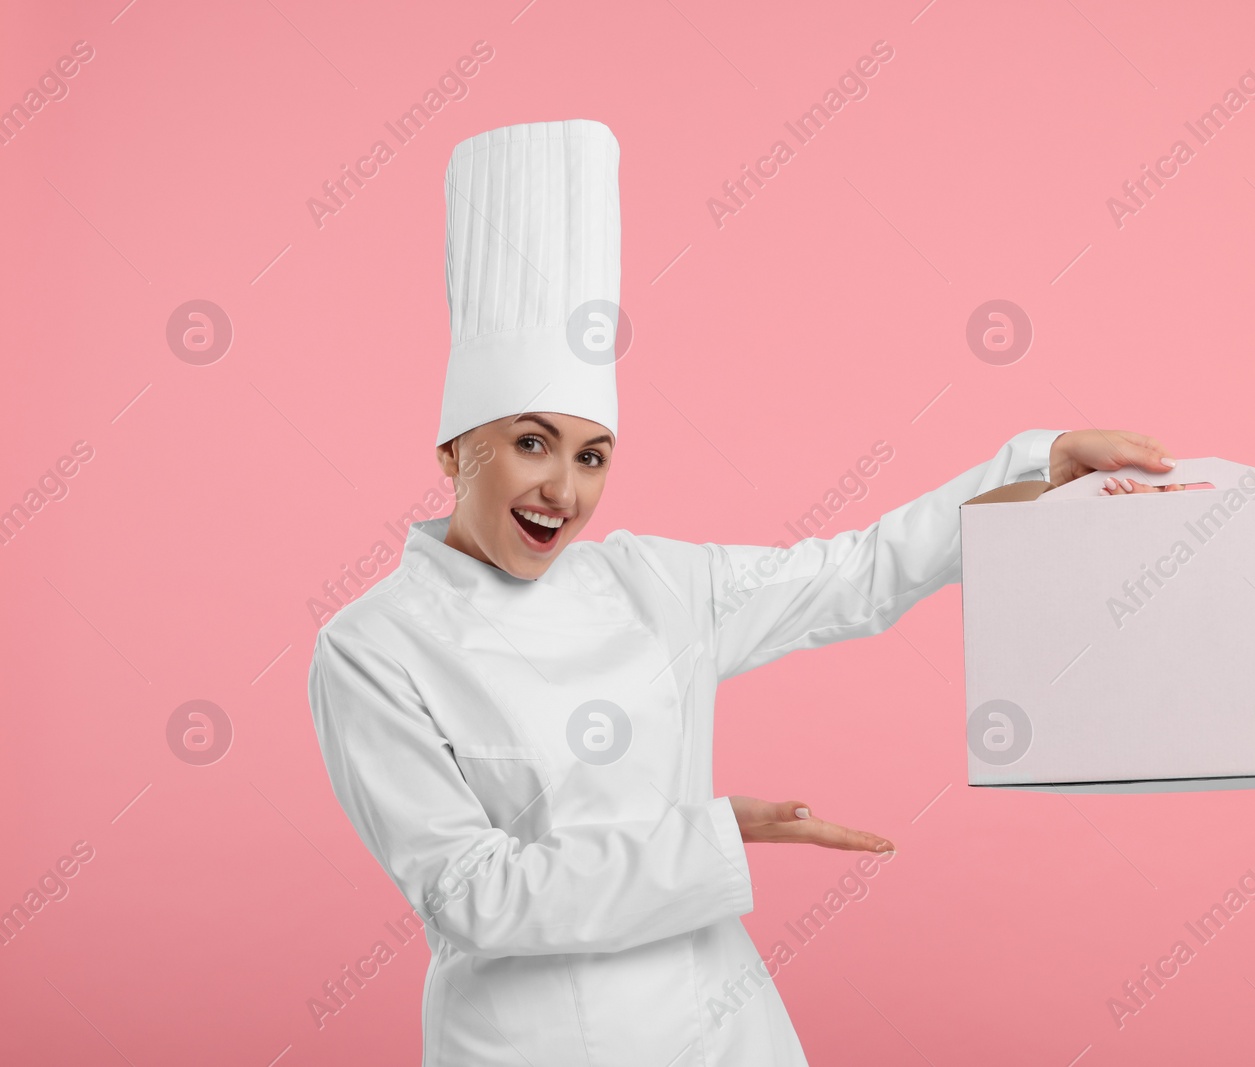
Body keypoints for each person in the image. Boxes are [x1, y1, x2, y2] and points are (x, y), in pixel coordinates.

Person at [307, 118, 1182, 1066]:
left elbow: (859, 569)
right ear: (452, 447)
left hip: (717, 1031)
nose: (563, 490)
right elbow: (470, 894)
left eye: (591, 455)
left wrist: (1037, 464)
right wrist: (715, 836)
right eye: (531, 443)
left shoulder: (651, 582)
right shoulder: (371, 647)